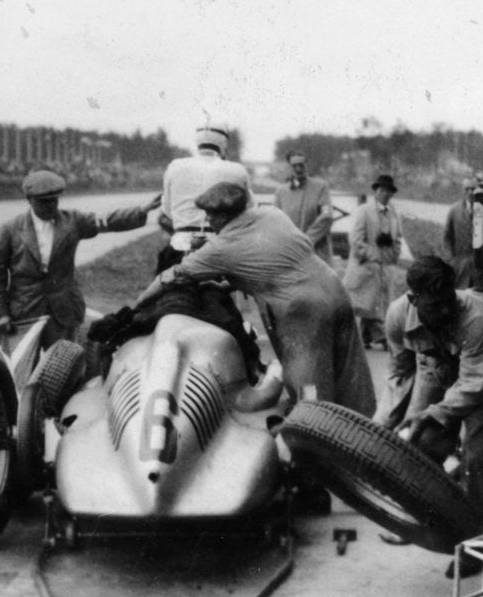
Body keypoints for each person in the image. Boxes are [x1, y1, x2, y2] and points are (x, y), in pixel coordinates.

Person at [134, 181, 375, 417]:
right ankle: (359, 428)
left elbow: (171, 276)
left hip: (302, 311)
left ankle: (311, 430)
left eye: (210, 214)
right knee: (348, 374)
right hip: (334, 291)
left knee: (307, 384)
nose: (207, 220)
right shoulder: (272, 214)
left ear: (223, 216)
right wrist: (231, 282)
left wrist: (139, 304)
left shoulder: (221, 247)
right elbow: (273, 261)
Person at [374, 256, 483, 578]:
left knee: (480, 460)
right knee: (417, 443)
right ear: (413, 299)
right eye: (436, 305)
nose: (447, 310)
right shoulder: (397, 316)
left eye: (449, 300)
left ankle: (476, 545)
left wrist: (435, 412)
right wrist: (383, 425)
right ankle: (420, 518)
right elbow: (399, 374)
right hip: (438, 366)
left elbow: (474, 383)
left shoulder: (474, 317)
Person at [0, 169, 158, 350]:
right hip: (24, 314)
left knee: (64, 362)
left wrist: (142, 210)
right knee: (23, 365)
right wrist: (0, 314)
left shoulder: (72, 221)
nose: (50, 206)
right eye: (43, 202)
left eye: (54, 200)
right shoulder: (10, 229)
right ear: (29, 200)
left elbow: (107, 221)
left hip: (63, 313)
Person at [157, 124, 253, 273]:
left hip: (181, 245)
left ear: (197, 142)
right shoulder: (237, 170)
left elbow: (167, 211)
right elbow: (249, 212)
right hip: (221, 247)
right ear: (223, 143)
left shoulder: (175, 166)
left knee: (163, 281)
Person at [343, 174, 405, 349]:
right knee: (365, 303)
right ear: (375, 192)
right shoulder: (364, 211)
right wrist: (371, 256)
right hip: (365, 265)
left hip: (385, 267)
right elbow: (355, 238)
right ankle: (382, 336)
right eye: (381, 190)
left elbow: (398, 239)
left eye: (388, 191)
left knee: (376, 303)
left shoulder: (394, 214)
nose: (385, 194)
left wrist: (393, 256)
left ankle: (365, 337)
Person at [273, 150, 334, 265]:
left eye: (301, 165)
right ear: (289, 168)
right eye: (294, 166)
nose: (298, 169)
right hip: (291, 254)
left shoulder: (320, 187)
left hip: (317, 253)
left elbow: (327, 216)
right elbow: (275, 220)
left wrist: (307, 240)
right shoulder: (281, 191)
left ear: (307, 165)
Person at [442, 178, 480, 288]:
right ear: (462, 190)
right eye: (467, 189)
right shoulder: (454, 210)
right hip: (460, 266)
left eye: (473, 189)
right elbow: (447, 237)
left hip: (480, 267)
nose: (470, 192)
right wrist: (451, 260)